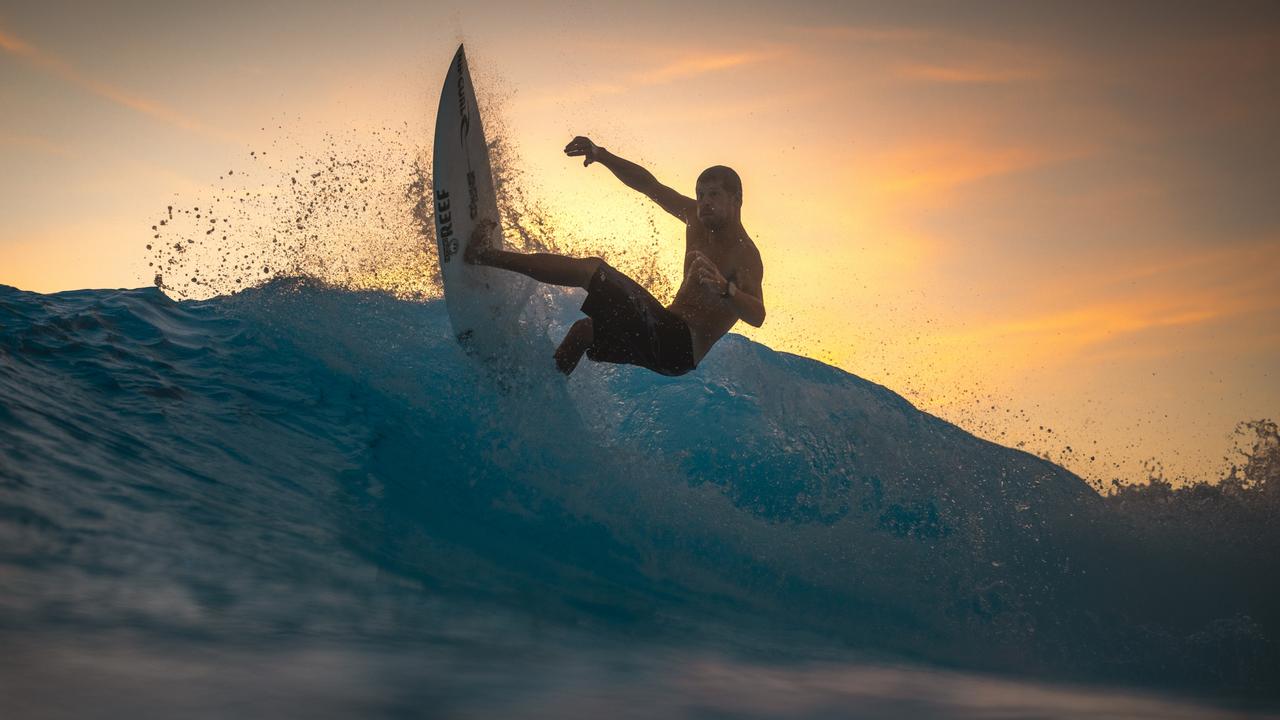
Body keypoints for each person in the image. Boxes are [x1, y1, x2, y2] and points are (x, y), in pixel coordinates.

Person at [465, 136, 765, 377]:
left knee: (591, 270)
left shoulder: (745, 255)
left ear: (736, 199)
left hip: (680, 345)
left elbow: (758, 316)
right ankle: (542, 391)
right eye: (700, 195)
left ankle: (485, 255)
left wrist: (727, 289)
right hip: (664, 339)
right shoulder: (695, 219)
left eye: (714, 195)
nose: (704, 203)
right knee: (583, 332)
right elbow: (650, 186)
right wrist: (602, 155)